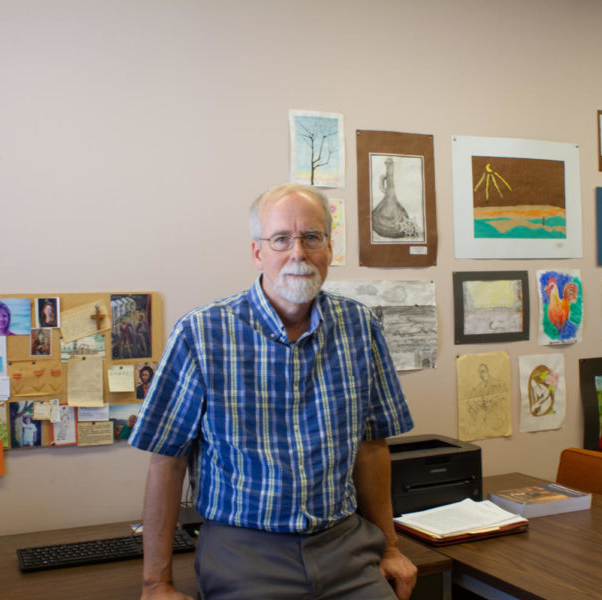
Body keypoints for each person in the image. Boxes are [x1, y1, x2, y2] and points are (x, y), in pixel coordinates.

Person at [129, 183, 416, 600]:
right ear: (257, 252)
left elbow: (372, 447)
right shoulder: (201, 334)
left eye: (311, 237)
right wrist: (156, 584)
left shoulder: (360, 326)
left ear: (329, 248)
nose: (298, 252)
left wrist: (390, 548)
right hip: (243, 552)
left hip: (345, 546)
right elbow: (166, 462)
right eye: (281, 239)